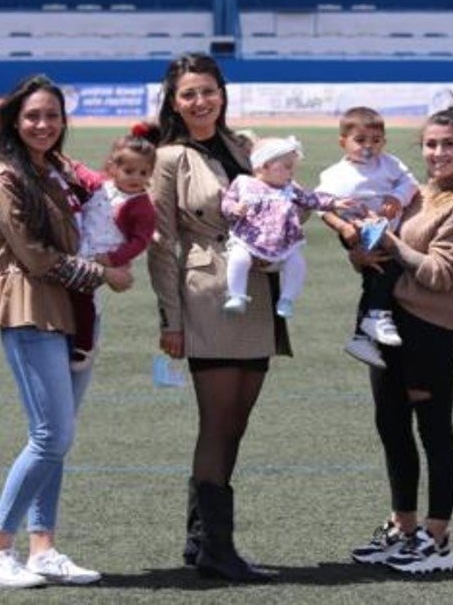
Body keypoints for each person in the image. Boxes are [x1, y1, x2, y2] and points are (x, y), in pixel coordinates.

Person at [0, 74, 133, 588]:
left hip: (73, 310)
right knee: (51, 435)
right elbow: (33, 256)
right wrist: (103, 274)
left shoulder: (56, 169)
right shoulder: (5, 176)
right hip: (29, 307)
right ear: (14, 121)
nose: (43, 125)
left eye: (52, 116)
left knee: (57, 440)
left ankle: (43, 547)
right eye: (33, 116)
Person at [147, 53, 289, 583]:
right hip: (207, 291)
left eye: (208, 90)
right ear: (174, 101)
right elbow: (161, 245)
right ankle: (217, 550)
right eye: (189, 94)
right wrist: (170, 319)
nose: (200, 101)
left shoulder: (245, 145)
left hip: (256, 289)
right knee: (218, 423)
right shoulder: (167, 159)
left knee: (237, 423)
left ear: (222, 93)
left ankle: (201, 539)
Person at [347, 101, 453, 574]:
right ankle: (403, 527)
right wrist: (361, 251)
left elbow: (441, 274)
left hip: (431, 331)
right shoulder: (418, 193)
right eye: (431, 144)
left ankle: (437, 538)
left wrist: (391, 246)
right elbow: (382, 242)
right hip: (390, 324)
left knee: (433, 430)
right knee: (392, 425)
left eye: (449, 144)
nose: (438, 152)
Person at [316, 107, 420, 368]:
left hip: (384, 228)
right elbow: (322, 206)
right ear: (343, 142)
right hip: (359, 229)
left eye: (376, 141)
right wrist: (342, 227)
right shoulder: (334, 175)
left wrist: (397, 198)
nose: (368, 147)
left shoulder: (390, 164)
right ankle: (375, 317)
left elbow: (410, 183)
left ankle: (362, 335)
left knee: (379, 276)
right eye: (360, 141)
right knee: (385, 269)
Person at [221, 136, 347, 319]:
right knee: (238, 258)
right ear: (262, 166)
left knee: (296, 262)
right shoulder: (243, 184)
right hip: (249, 238)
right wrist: (235, 209)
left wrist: (334, 202)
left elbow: (310, 199)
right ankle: (236, 295)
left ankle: (287, 299)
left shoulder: (289, 188)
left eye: (293, 167)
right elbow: (227, 203)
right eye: (287, 167)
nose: (292, 172)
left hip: (284, 240)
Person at [67, 125, 158, 370]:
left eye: (143, 172)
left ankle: (83, 346)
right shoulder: (100, 184)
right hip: (79, 246)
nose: (136, 177)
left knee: (84, 296)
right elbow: (80, 170)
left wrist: (114, 258)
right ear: (112, 168)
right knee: (68, 292)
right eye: (128, 170)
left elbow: (140, 241)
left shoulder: (142, 206)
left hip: (102, 257)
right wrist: (65, 162)